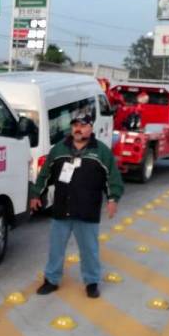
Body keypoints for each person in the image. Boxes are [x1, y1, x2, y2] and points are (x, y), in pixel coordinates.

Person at [29, 110, 124, 299]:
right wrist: (36, 194)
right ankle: (51, 280)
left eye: (82, 126)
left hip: (87, 210)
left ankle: (91, 282)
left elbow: (112, 178)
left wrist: (113, 199)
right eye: (75, 126)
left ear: (90, 128)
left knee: (89, 249)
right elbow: (45, 174)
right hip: (62, 208)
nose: (78, 129)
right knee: (56, 248)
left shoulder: (101, 151)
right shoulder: (59, 149)